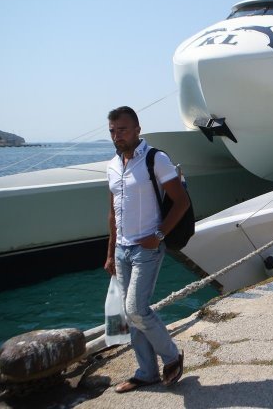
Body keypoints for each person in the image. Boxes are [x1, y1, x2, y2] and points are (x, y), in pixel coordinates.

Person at [104, 106, 187, 393]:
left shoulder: (156, 159)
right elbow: (114, 213)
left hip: (147, 247)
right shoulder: (113, 166)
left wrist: (159, 234)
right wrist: (110, 252)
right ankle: (146, 372)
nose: (118, 136)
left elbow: (181, 202)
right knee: (131, 316)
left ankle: (172, 357)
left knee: (136, 309)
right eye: (113, 131)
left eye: (123, 129)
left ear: (138, 129)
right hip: (122, 250)